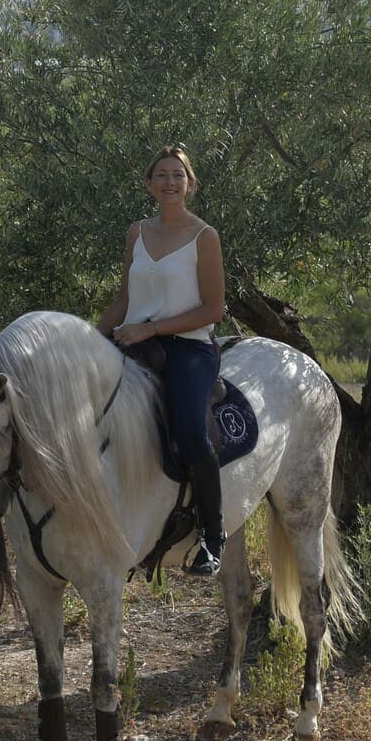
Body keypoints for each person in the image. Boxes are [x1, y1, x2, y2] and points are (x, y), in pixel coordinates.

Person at [96, 144, 229, 575]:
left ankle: (213, 535)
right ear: (149, 184)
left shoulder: (204, 236)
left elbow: (213, 310)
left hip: (188, 348)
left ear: (190, 184)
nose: (170, 182)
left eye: (179, 175)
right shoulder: (136, 232)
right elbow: (124, 301)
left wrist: (151, 328)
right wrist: (87, 338)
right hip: (132, 342)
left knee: (191, 430)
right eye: (162, 175)